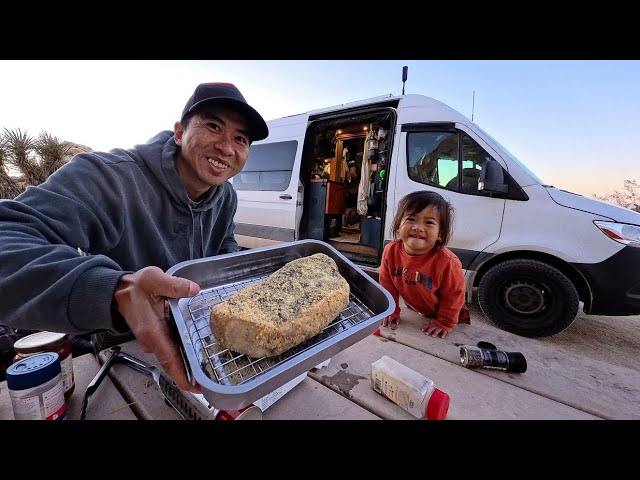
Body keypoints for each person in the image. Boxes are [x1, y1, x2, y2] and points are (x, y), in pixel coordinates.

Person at [0, 82, 269, 391]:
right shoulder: (109, 177)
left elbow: (225, 247)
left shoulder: (225, 197)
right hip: (123, 351)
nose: (226, 146)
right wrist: (114, 290)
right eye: (213, 125)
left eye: (240, 138)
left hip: (203, 342)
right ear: (180, 132)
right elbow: (7, 235)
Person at [379, 191, 470, 339]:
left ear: (440, 233)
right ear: (398, 225)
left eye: (429, 222)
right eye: (411, 219)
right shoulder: (390, 251)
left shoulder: (447, 262)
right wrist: (391, 310)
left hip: (451, 316)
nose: (418, 227)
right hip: (418, 310)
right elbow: (387, 285)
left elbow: (454, 296)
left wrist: (444, 322)